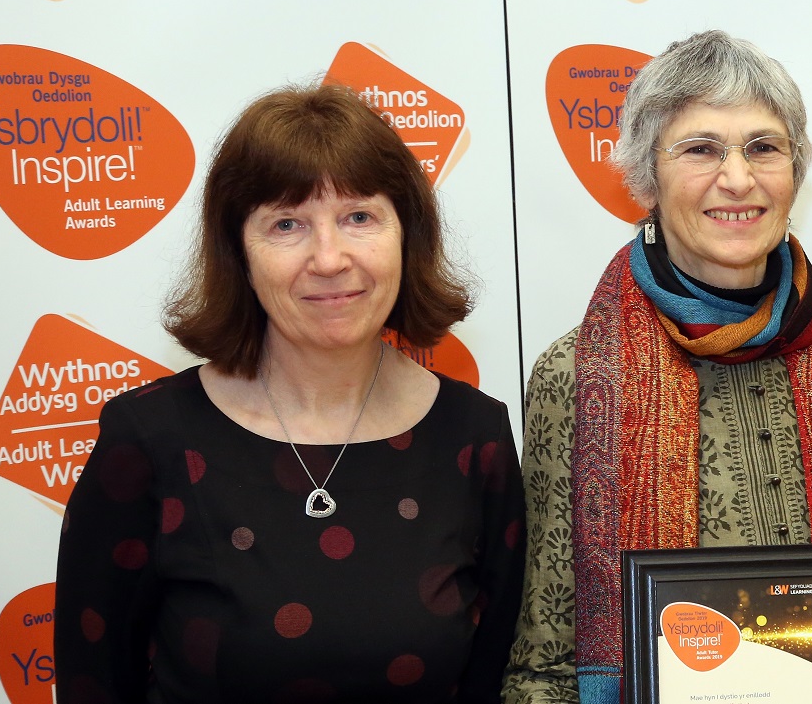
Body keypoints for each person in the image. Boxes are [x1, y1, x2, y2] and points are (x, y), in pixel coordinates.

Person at [502, 30, 812, 704]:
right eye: (701, 149)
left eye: (763, 147)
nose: (737, 178)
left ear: (795, 172)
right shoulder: (577, 375)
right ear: (648, 175)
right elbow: (544, 663)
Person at [54, 84, 525, 704]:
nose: (329, 258)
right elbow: (95, 684)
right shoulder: (149, 441)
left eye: (359, 217)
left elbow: (494, 681)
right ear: (239, 254)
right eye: (286, 224)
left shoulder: (474, 437)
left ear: (406, 235)